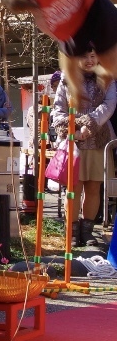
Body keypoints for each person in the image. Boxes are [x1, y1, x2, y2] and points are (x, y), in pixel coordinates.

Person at [51, 49, 116, 247]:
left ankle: (87, 232)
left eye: (93, 56)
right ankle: (72, 230)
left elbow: (109, 103)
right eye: (85, 56)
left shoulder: (108, 77)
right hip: (73, 140)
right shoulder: (65, 78)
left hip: (98, 139)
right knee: (73, 188)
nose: (89, 61)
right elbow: (58, 109)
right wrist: (74, 129)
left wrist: (91, 123)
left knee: (94, 187)